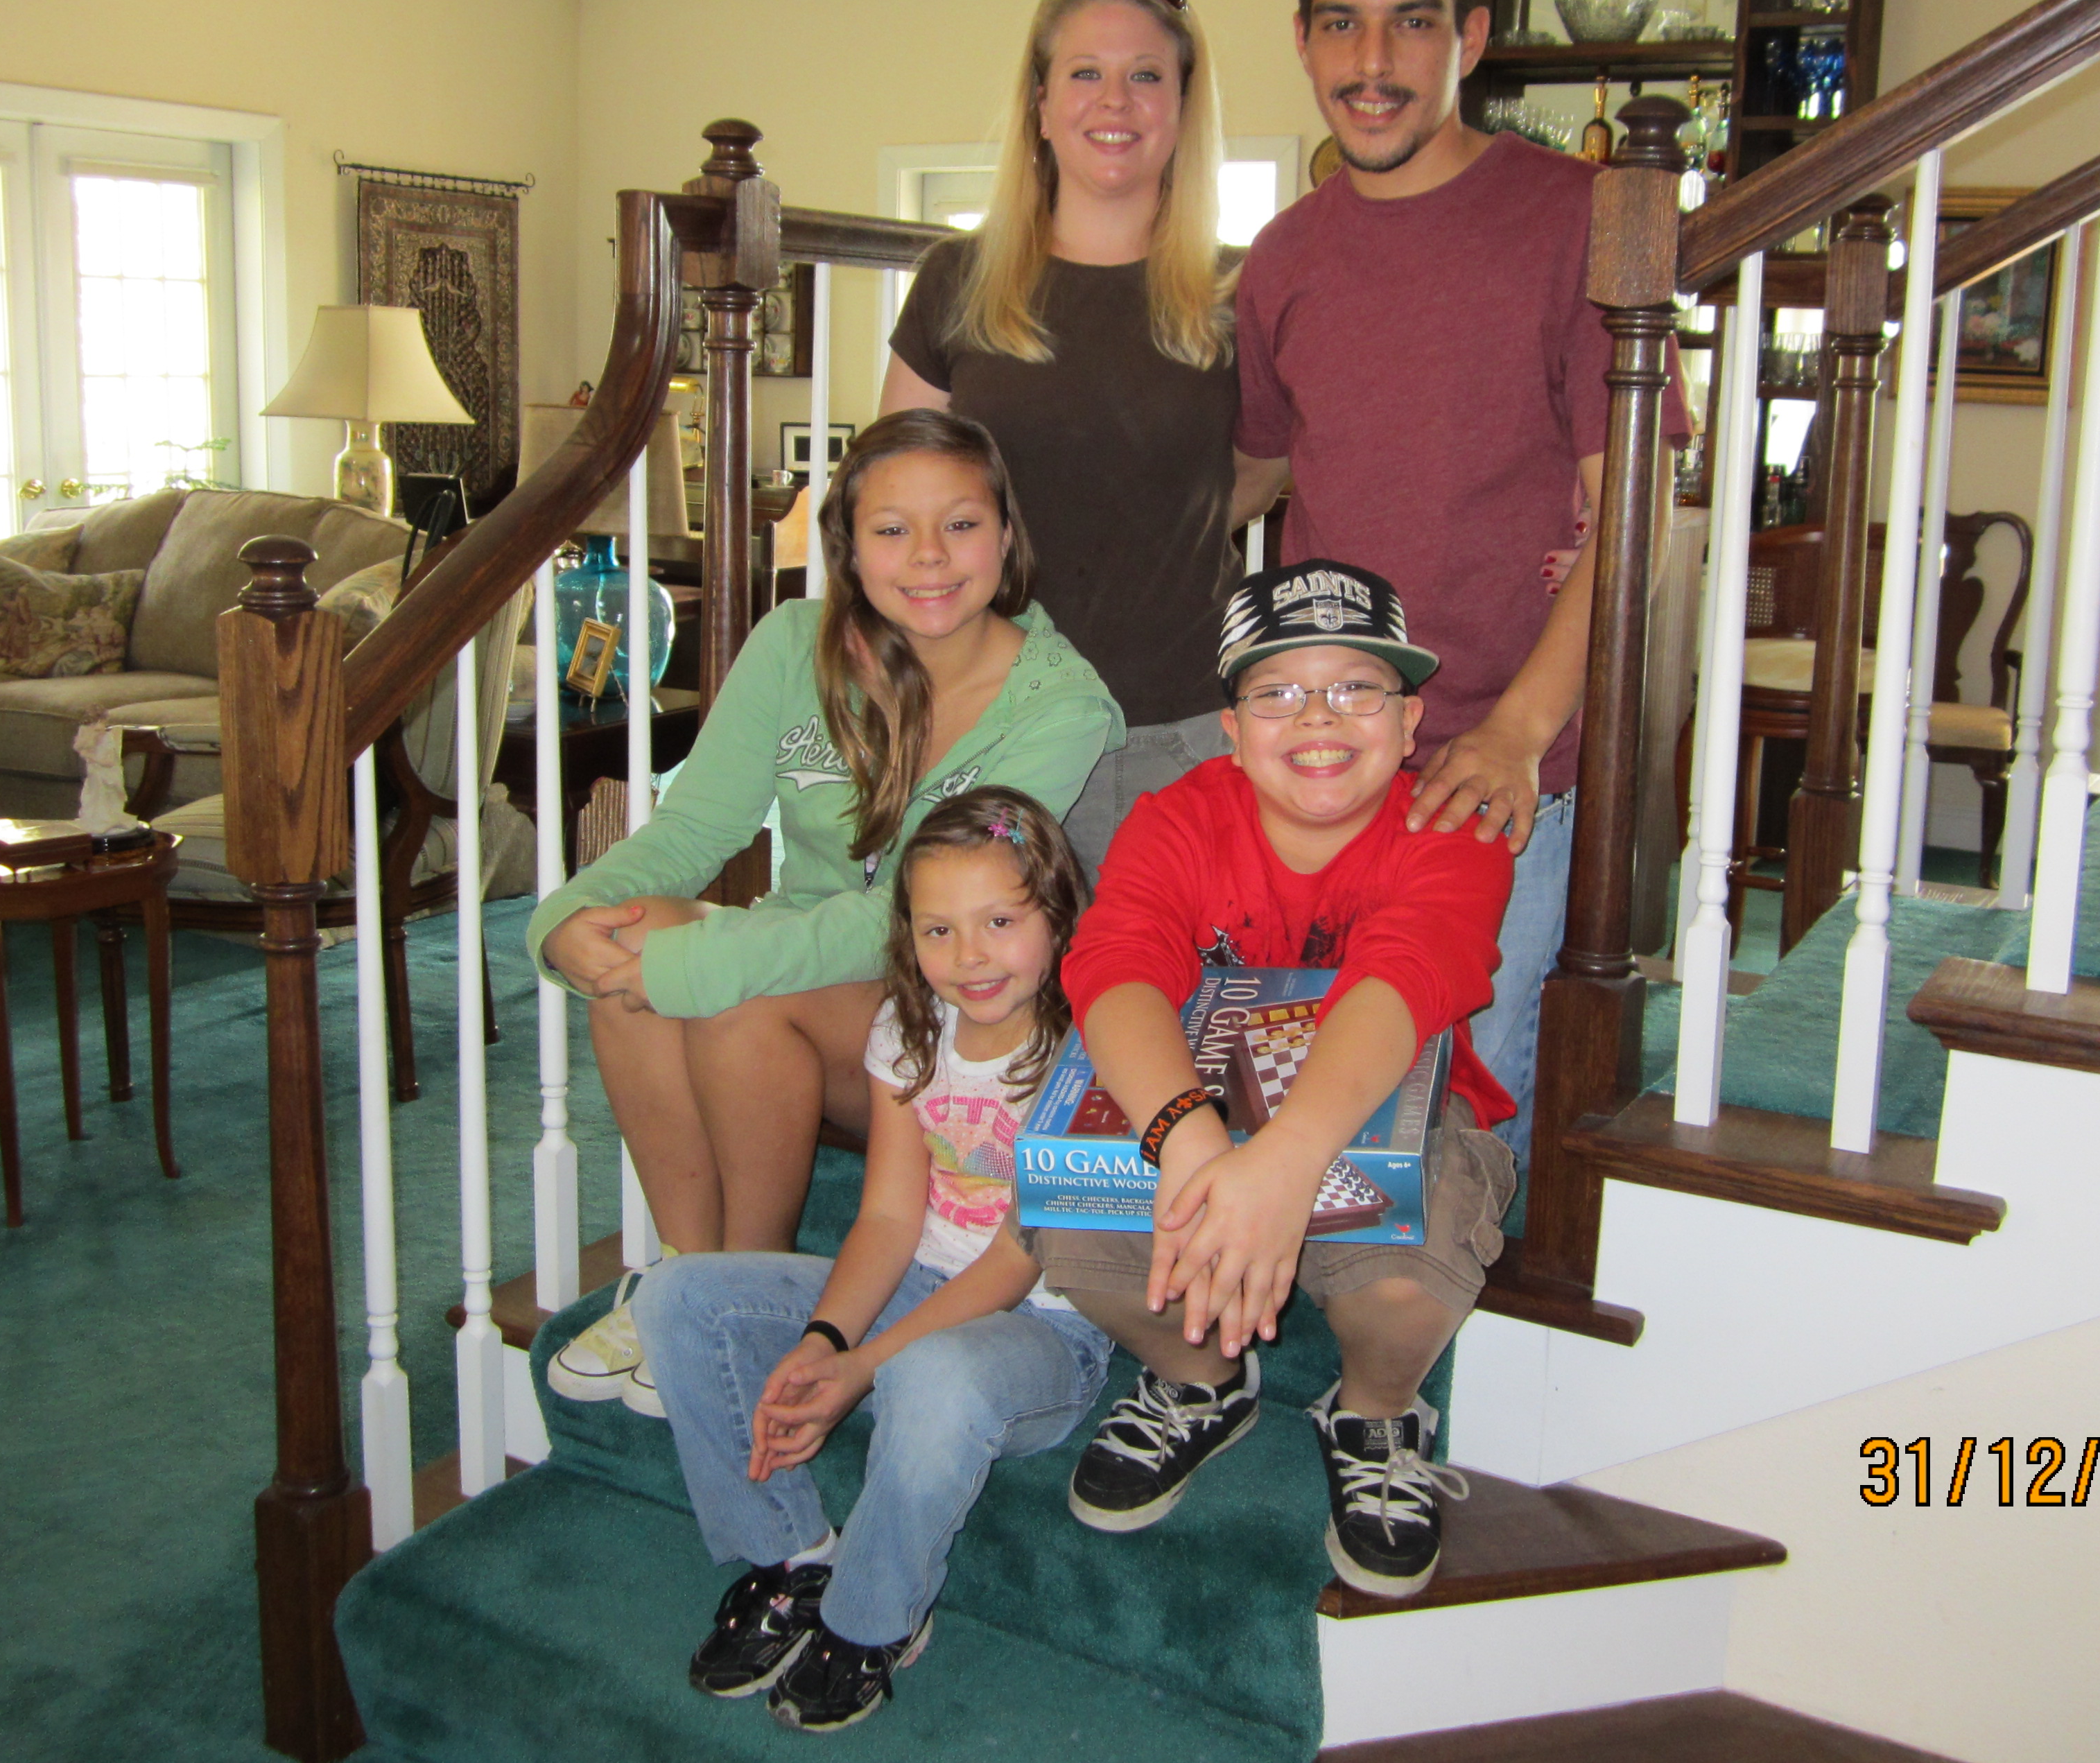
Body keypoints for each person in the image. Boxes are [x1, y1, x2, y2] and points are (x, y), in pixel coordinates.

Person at [525, 410, 1122, 1414]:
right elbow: (694, 829)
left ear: (1007, 536)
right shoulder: (793, 645)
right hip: (813, 976)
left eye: (961, 525)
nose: (928, 557)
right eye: (892, 530)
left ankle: (739, 1293)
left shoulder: (1061, 704)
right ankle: (684, 1274)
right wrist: (567, 916)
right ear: (847, 545)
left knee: (736, 993)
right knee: (638, 940)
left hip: (946, 1009)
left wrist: (701, 961)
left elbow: (909, 917)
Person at [1232, 0, 1692, 1154]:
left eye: (1413, 23)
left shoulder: (1577, 218)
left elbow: (1636, 504)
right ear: (1303, 40)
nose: (1372, 63)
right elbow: (1252, 476)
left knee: (1465, 1124)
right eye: (1342, 24)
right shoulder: (1282, 256)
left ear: (1472, 38)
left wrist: (1517, 735)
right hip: (1328, 756)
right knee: (1322, 1105)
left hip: (1501, 773)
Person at [1030, 559, 1517, 1599]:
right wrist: (1193, 1142)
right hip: (1208, 1112)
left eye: (1356, 689)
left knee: (1408, 1275)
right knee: (1067, 1220)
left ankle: (1376, 1414)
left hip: (1387, 1120)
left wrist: (1283, 1163)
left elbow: (1405, 976)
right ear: (1231, 729)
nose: (1318, 718)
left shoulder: (1454, 827)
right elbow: (1114, 966)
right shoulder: (1177, 816)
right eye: (1278, 693)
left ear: (1411, 719)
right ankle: (1203, 1381)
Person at [632, 787, 1113, 1733]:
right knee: (678, 1296)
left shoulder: (1089, 1048)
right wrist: (825, 1339)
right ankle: (793, 1559)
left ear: (1058, 918)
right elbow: (889, 1218)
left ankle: (871, 1619)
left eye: (1001, 922)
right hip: (918, 1286)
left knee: (931, 1376)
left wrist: (862, 1368)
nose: (969, 956)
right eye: (938, 930)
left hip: (1043, 1333)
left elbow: (1016, 1263)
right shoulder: (911, 1028)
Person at [880, 0, 1268, 883]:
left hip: (1179, 733)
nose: (1115, 100)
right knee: (983, 975)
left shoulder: (1241, 291)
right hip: (986, 724)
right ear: (1042, 103)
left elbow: (1263, 468)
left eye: (1147, 75)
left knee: (1170, 979)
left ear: (1183, 107)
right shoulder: (957, 280)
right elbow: (895, 504)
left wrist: (1160, 519)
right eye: (1086, 72)